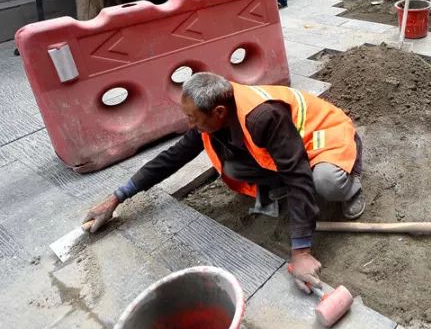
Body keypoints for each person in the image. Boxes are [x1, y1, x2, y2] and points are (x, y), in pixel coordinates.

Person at [83, 72, 364, 292]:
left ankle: (353, 182)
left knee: (325, 183)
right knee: (231, 166)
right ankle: (279, 190)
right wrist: (117, 197)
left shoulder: (262, 116)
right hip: (290, 147)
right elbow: (173, 157)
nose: (190, 124)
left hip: (324, 137)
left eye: (193, 118)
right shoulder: (215, 112)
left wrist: (301, 251)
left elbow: (298, 174)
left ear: (218, 112)